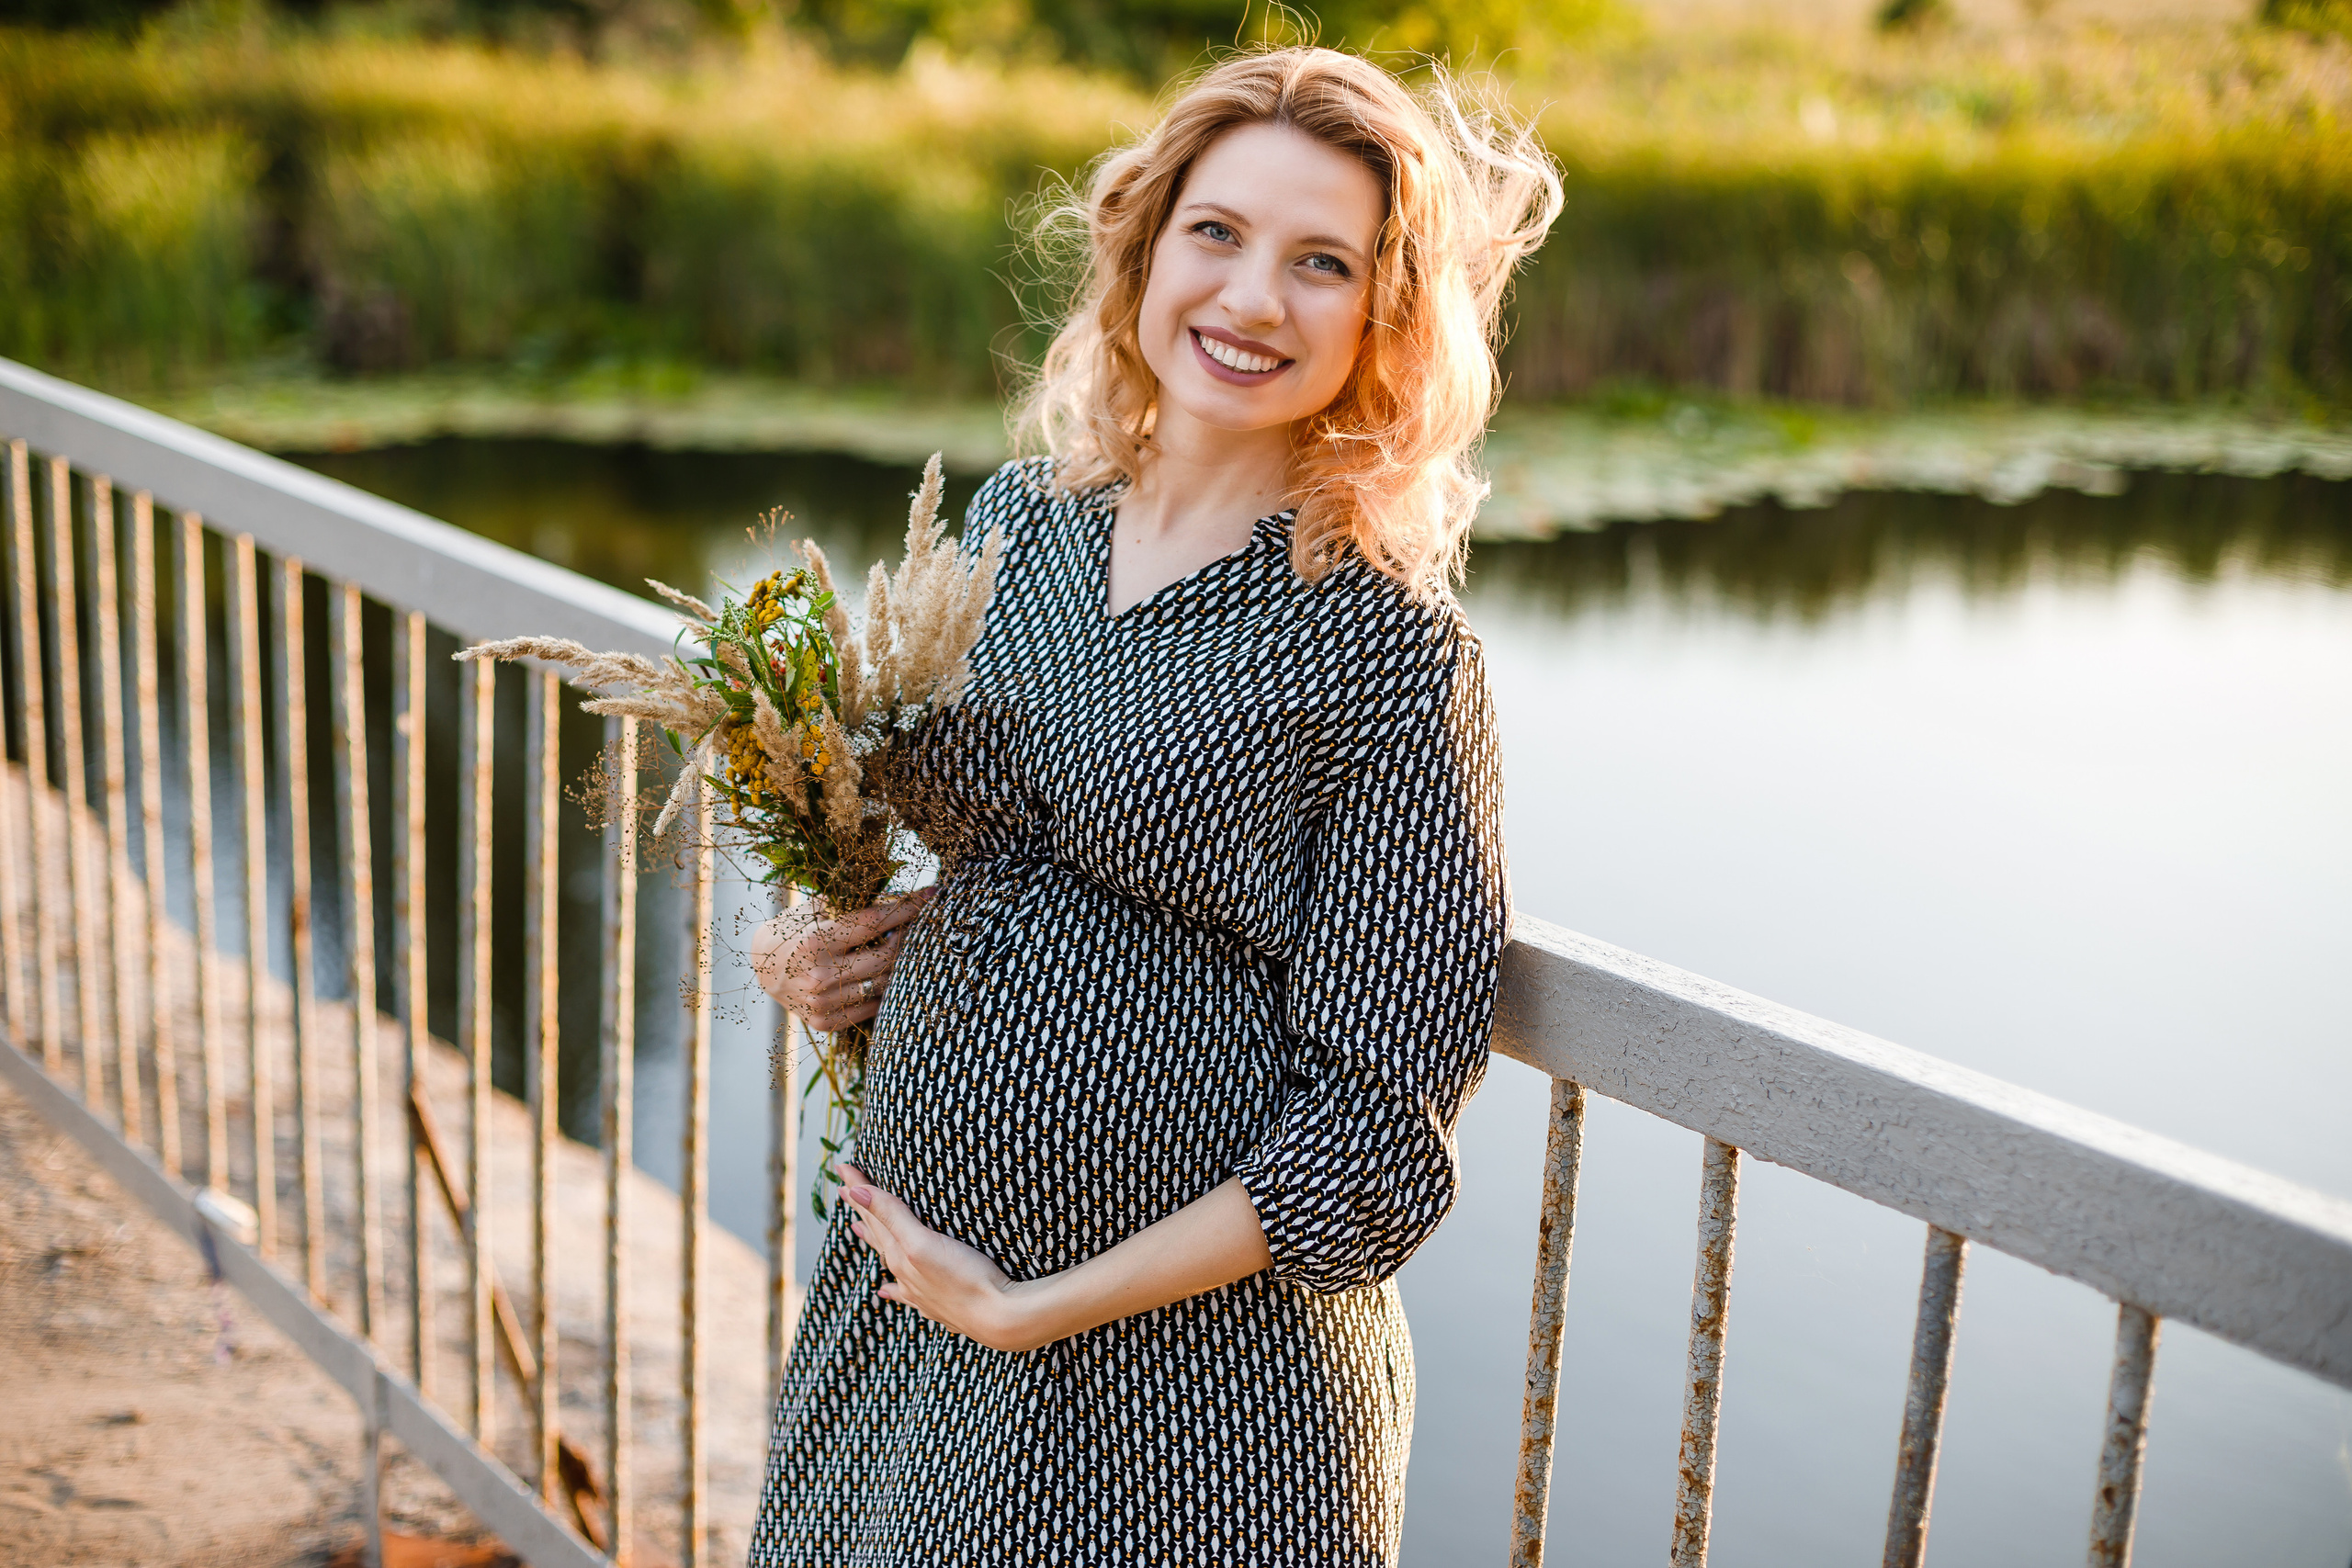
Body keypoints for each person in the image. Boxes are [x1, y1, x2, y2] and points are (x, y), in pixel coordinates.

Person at [745, 45, 1560, 1566]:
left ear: (1384, 321)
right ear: (1142, 244)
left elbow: (1379, 1133)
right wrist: (822, 949)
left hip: (1186, 1396)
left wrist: (1038, 1307)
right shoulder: (1016, 529)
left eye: (1324, 262)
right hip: (916, 1301)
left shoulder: (1387, 648)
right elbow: (975, 864)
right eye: (1219, 234)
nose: (1255, 300)